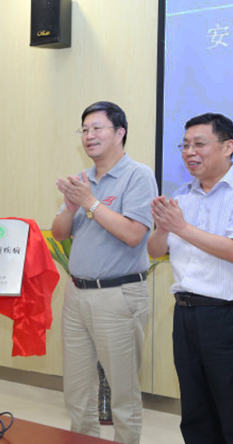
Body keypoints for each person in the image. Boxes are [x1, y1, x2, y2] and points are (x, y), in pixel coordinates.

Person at [147, 113, 233, 443]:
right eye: (185, 145)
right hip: (186, 315)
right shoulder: (182, 197)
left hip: (229, 318)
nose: (190, 152)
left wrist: (180, 226)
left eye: (199, 144)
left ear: (228, 147)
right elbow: (155, 251)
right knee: (195, 416)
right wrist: (163, 227)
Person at [52, 101, 157, 444]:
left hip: (118, 296)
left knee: (122, 395)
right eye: (84, 130)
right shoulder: (83, 180)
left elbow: (134, 235)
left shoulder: (138, 176)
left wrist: (90, 203)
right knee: (77, 392)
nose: (89, 136)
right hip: (77, 294)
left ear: (120, 132)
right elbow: (60, 234)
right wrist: (70, 206)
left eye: (97, 128)